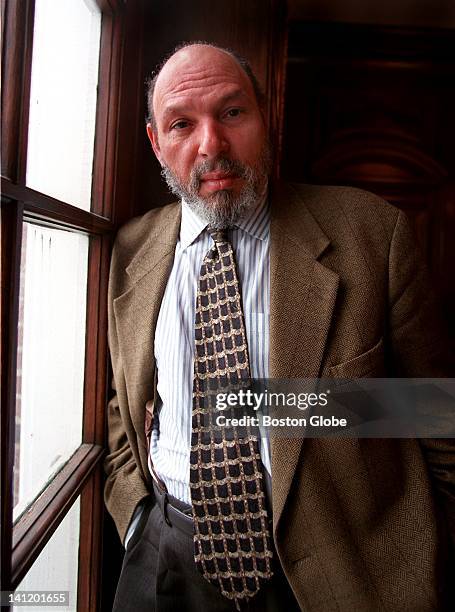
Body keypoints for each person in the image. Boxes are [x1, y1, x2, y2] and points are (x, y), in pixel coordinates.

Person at [105, 43, 454, 611]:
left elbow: (436, 411)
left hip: (341, 568)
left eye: (233, 113)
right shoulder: (130, 248)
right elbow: (124, 401)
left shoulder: (373, 235)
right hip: (166, 557)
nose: (211, 145)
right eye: (182, 124)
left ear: (266, 118)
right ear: (155, 143)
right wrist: (135, 515)